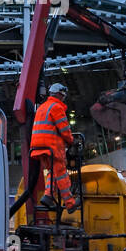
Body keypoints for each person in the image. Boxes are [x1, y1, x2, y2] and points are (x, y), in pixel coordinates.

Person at [30, 83, 77, 212]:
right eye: (62, 95)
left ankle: (48, 196)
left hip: (38, 147)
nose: (63, 98)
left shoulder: (42, 107)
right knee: (61, 173)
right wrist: (71, 142)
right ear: (58, 94)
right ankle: (70, 203)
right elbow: (65, 130)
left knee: (53, 171)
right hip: (51, 146)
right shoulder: (56, 107)